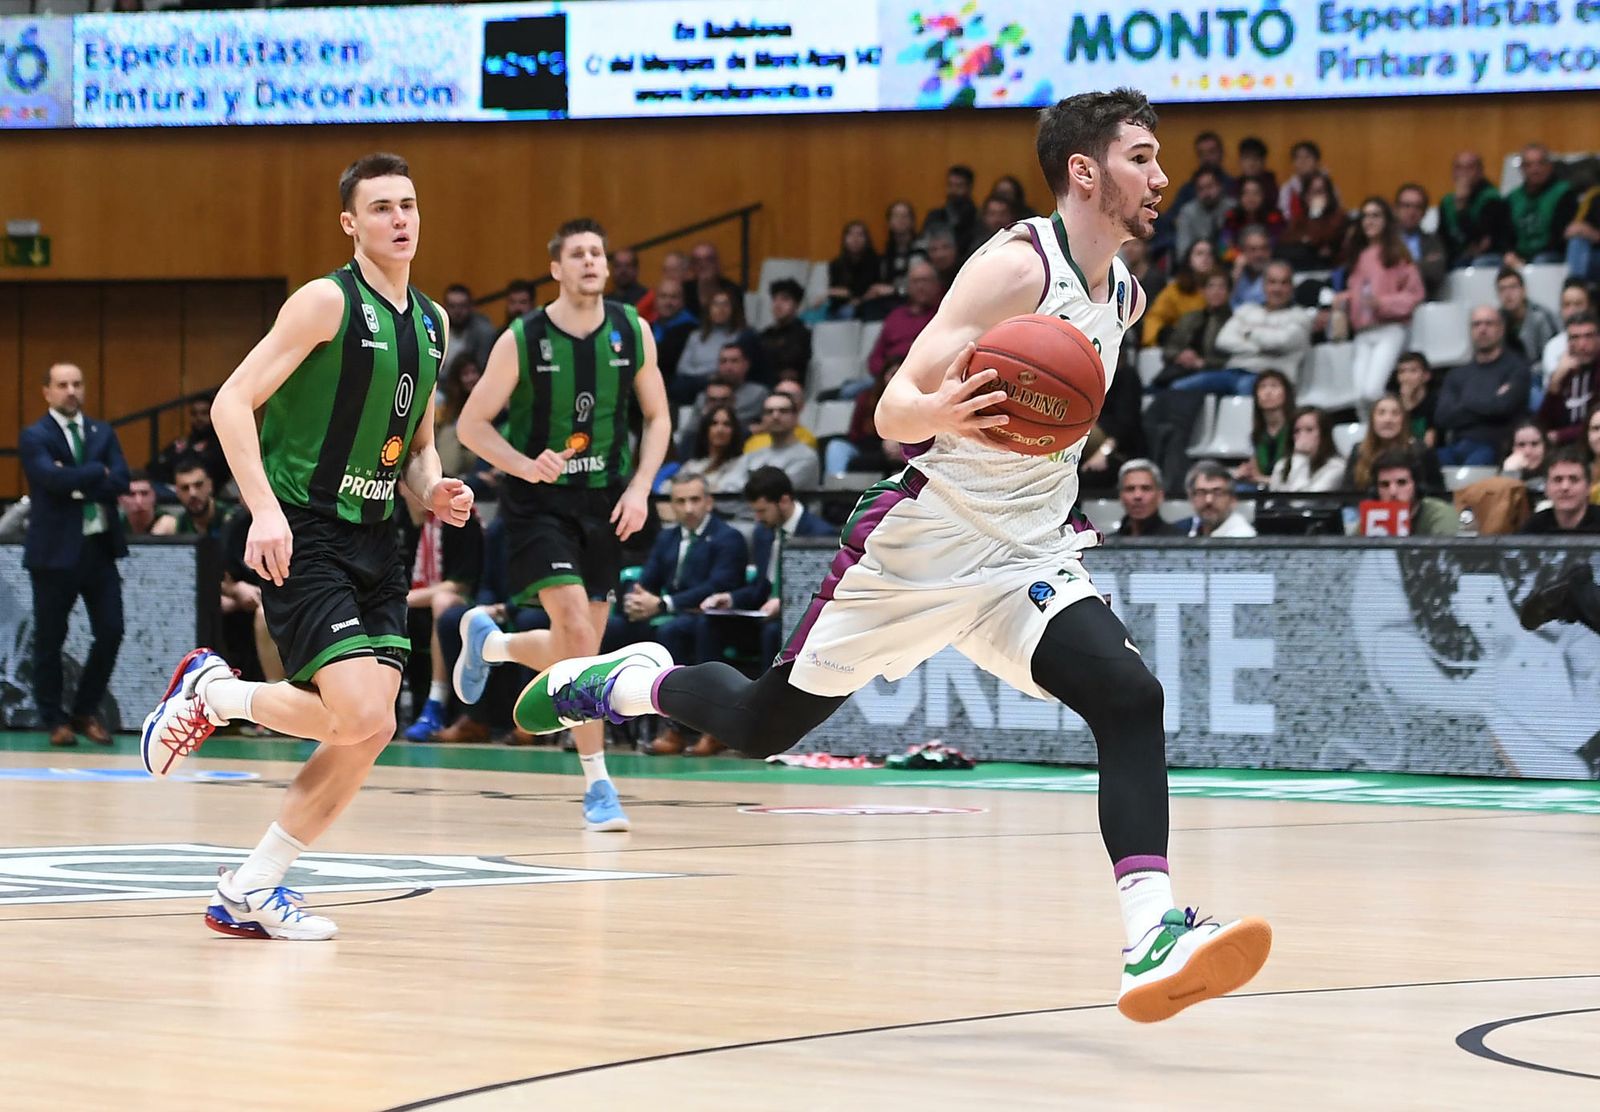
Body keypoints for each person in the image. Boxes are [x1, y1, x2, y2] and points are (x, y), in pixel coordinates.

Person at [506, 88, 1271, 1022]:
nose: (1162, 177)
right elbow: (893, 409)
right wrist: (942, 412)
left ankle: (1152, 935)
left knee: (1131, 696)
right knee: (760, 724)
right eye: (1143, 157)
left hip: (1023, 552)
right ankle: (634, 681)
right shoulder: (1013, 268)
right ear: (1086, 170)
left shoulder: (1126, 292)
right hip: (922, 545)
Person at [138, 152, 474, 941]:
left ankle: (252, 887)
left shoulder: (433, 324)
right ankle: (210, 695)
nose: (401, 218)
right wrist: (262, 511)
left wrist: (435, 490)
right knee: (355, 710)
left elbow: (417, 447)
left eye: (410, 204)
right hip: (304, 526)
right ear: (351, 223)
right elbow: (230, 403)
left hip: (377, 535)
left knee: (374, 725)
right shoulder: (325, 302)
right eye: (383, 207)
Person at [452, 217, 671, 832]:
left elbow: (656, 419)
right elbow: (472, 426)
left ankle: (492, 645)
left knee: (583, 651)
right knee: (575, 627)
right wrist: (524, 465)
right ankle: (599, 784)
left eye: (597, 252)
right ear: (556, 268)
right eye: (577, 254)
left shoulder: (634, 330)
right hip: (538, 505)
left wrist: (640, 488)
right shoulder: (523, 338)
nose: (590, 261)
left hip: (604, 503)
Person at [20, 361, 129, 748]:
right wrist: (94, 474)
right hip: (53, 554)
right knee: (50, 640)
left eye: (76, 383)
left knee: (112, 631)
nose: (70, 390)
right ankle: (54, 718)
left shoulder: (103, 431)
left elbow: (120, 480)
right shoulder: (35, 435)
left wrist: (80, 479)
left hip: (98, 549)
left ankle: (84, 709)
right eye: (62, 384)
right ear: (47, 391)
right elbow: (49, 479)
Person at [1335, 197, 1425, 414]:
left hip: (1390, 329)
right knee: (1358, 395)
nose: (1369, 221)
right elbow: (1359, 292)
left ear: (1386, 220)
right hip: (1363, 331)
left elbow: (1415, 294)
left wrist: (1383, 303)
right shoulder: (1357, 257)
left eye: (1375, 215)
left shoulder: (1398, 254)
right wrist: (1347, 299)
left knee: (1373, 390)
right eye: (1365, 216)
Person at [1434, 307, 1532, 466]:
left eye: (1489, 324)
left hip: (1494, 447)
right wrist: (1490, 402)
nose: (1482, 329)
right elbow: (1442, 417)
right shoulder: (1457, 374)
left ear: (1501, 329)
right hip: (1456, 447)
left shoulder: (1517, 368)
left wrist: (1465, 401)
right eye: (1476, 324)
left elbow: (1503, 407)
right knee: (1426, 463)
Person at [1371, 448, 1457, 536]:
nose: (1392, 492)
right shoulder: (1371, 518)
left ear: (1418, 486)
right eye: (1385, 485)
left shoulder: (1440, 514)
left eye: (1401, 483)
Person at [1268, 406, 1344, 492]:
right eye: (1296, 431)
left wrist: (1301, 456)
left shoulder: (1336, 467)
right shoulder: (1282, 465)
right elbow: (1271, 501)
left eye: (1309, 430)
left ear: (1323, 434)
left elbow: (1301, 502)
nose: (1302, 436)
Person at [1179, 460, 1257, 537]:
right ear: (1191, 498)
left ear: (1233, 500)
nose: (1208, 500)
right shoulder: (1186, 529)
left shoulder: (1242, 537)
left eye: (1217, 493)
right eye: (1201, 492)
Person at [1110, 458, 1177, 537]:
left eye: (1146, 488)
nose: (1137, 496)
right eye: (1130, 489)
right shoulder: (1107, 545)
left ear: (1160, 496)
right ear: (1121, 497)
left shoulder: (1181, 542)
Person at [118, 469, 175, 536]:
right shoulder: (114, 524)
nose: (139, 501)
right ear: (119, 499)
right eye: (131, 494)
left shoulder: (170, 522)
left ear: (154, 496)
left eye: (144, 493)